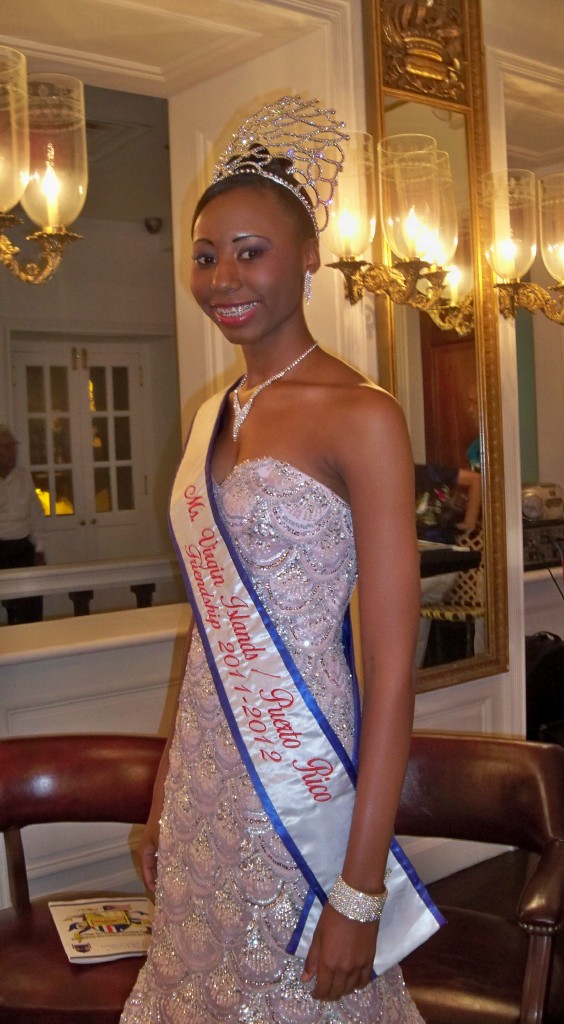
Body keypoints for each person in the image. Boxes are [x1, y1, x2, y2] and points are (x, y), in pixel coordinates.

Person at [121, 96, 442, 1024]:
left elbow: (388, 670)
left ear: (308, 257)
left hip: (302, 777)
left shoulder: (363, 414)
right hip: (207, 776)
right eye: (205, 253)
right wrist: (162, 802)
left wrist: (357, 890)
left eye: (250, 250)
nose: (223, 276)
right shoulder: (208, 415)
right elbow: (206, 630)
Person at [0, 425, 46, 624]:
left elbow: (36, 514)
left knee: (30, 605)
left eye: (13, 446)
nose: (13, 451)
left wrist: (39, 549)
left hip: (22, 547)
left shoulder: (23, 476)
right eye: (7, 447)